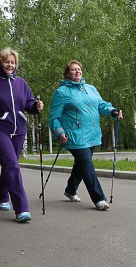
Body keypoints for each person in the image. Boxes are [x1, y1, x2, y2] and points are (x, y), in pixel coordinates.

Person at [0, 47, 44, 223]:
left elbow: (28, 104)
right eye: (7, 62)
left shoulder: (21, 83)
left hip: (19, 130)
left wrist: (36, 107)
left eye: (13, 62)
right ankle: (22, 209)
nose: (10, 65)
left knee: (10, 165)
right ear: (0, 63)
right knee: (12, 165)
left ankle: (3, 195)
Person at [48, 60, 122, 211]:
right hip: (74, 135)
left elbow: (101, 105)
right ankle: (99, 199)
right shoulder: (61, 92)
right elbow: (54, 118)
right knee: (87, 165)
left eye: (79, 69)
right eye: (73, 70)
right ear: (67, 74)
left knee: (81, 165)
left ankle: (70, 190)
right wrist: (60, 132)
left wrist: (113, 111)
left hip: (92, 134)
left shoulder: (91, 89)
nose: (77, 71)